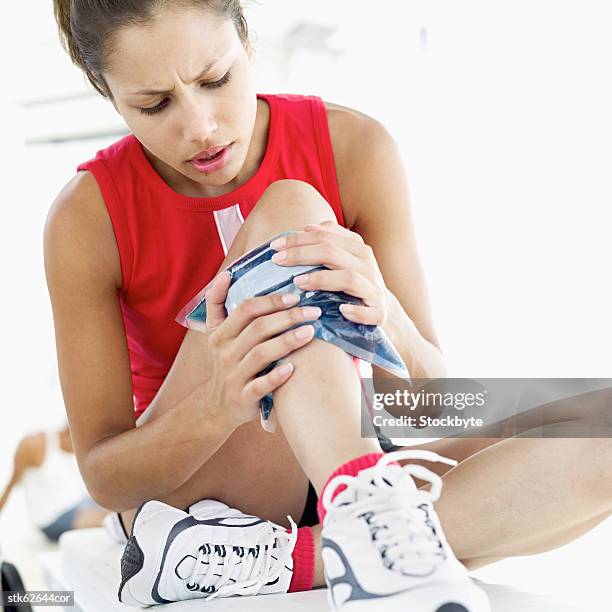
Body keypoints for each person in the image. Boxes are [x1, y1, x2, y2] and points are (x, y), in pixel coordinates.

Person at [43, 1, 611, 610]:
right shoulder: (86, 217)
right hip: (201, 483)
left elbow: (427, 404)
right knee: (291, 208)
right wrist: (216, 406)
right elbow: (105, 477)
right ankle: (362, 504)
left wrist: (386, 313)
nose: (201, 126)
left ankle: (305, 556)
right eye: (155, 105)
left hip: (323, 466)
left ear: (246, 41)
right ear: (107, 93)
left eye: (215, 79)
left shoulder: (356, 145)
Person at [0, 426, 107, 541]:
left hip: (81, 503)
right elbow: (11, 484)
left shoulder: (84, 447)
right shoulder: (35, 444)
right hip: (52, 518)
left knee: (119, 510)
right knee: (109, 519)